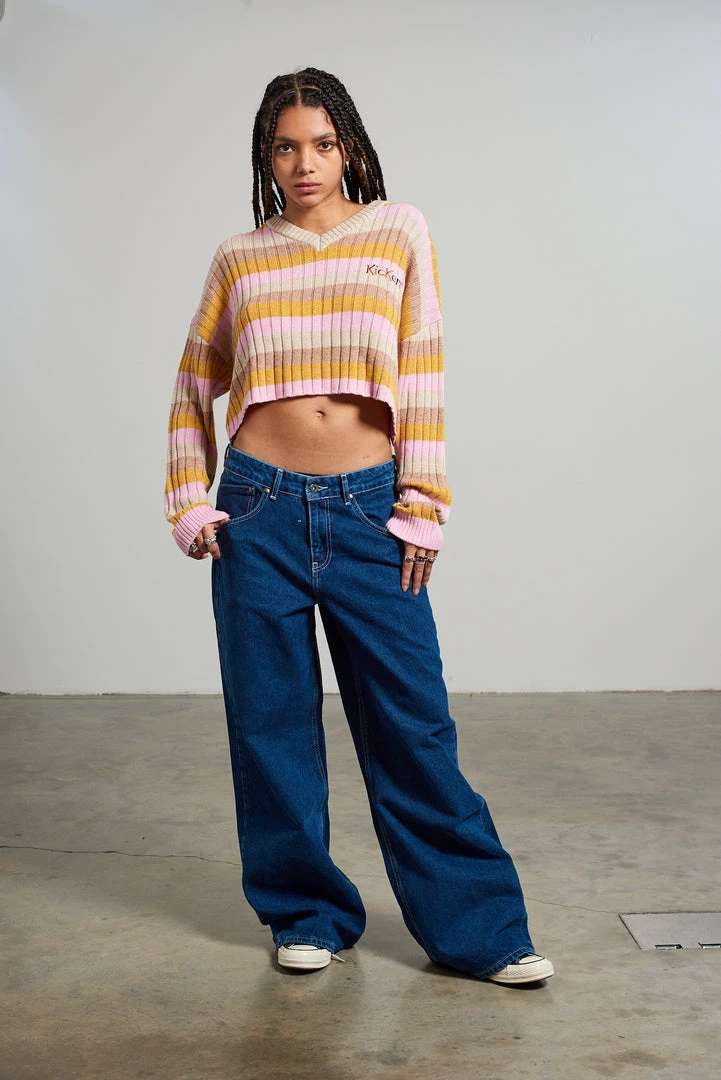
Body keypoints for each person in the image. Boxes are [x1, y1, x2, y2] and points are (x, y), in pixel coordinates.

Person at [164, 67, 553, 985]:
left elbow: (421, 365)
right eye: (285, 147)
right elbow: (191, 383)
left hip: (370, 509)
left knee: (412, 727)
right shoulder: (239, 257)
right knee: (270, 727)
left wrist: (421, 503)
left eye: (322, 144)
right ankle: (304, 915)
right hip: (256, 508)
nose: (305, 163)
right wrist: (189, 498)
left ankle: (481, 933)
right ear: (266, 157)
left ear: (349, 149)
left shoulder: (397, 230)